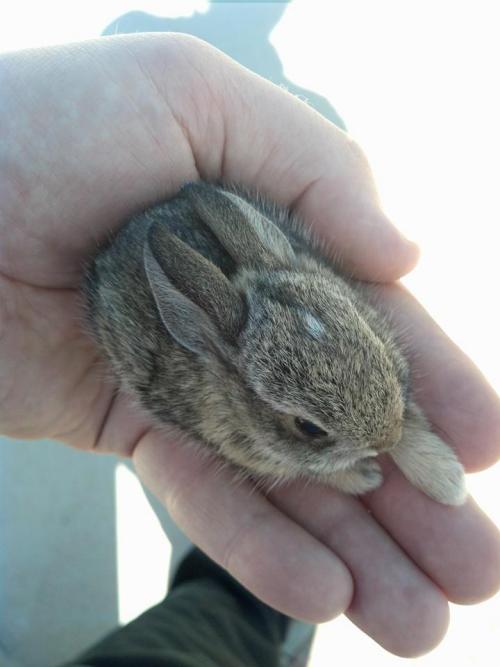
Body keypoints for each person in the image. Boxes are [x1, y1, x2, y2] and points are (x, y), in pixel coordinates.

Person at [1, 33, 499, 664]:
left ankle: (234, 604)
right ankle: (237, 607)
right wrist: (336, 467)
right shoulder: (224, 397)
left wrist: (393, 424)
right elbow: (248, 439)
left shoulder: (299, 275)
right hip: (168, 302)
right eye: (308, 428)